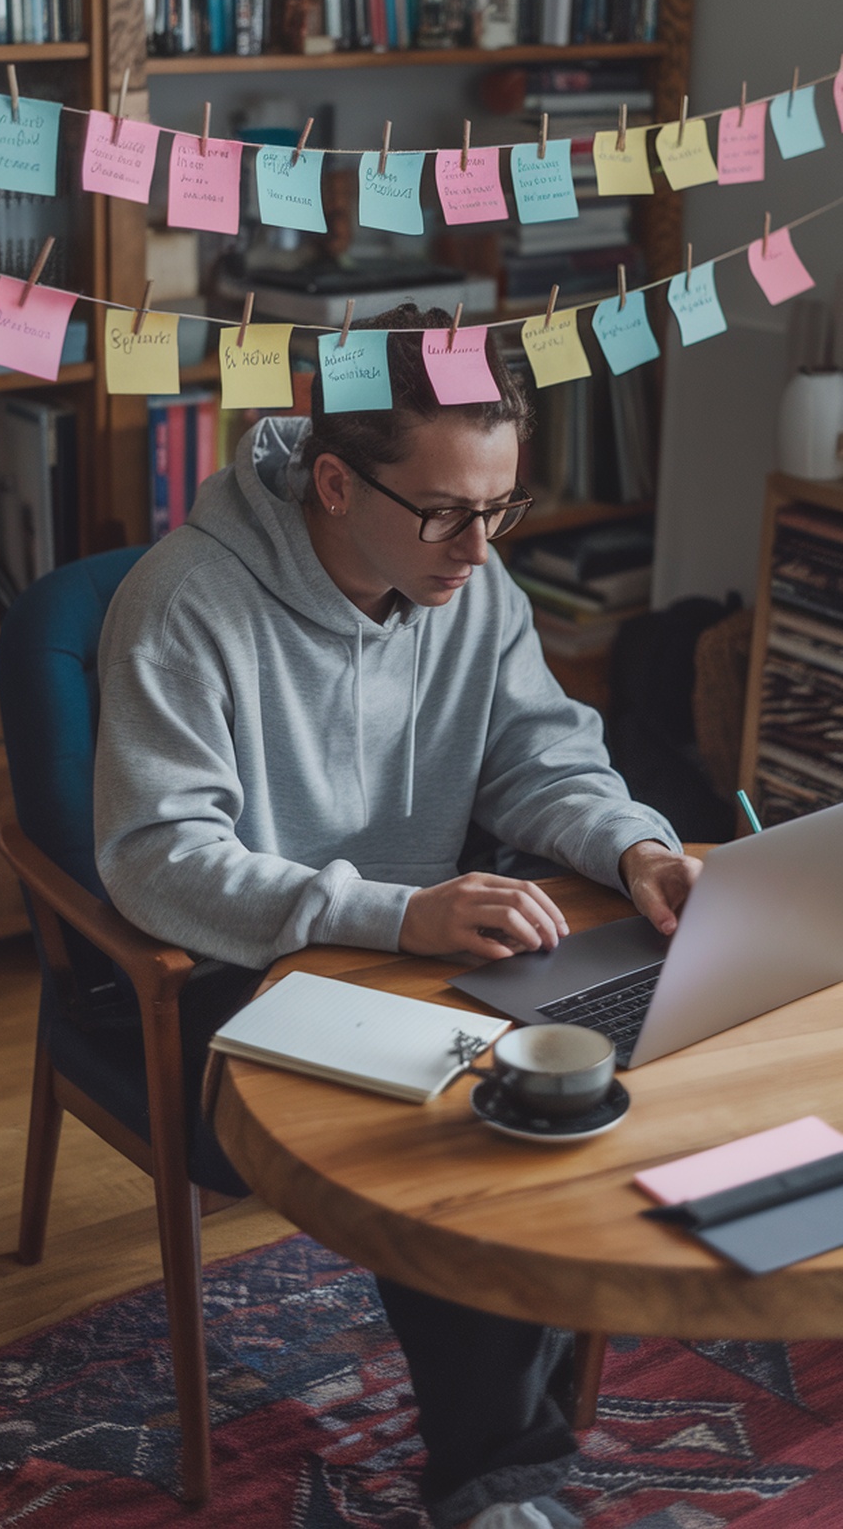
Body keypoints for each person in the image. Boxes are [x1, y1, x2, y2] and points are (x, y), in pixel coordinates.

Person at [94, 305, 701, 1529]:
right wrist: (395, 914)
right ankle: (496, 1488)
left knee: (638, 1042)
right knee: (489, 1131)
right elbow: (158, 860)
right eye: (446, 512)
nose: (478, 549)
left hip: (423, 946)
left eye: (500, 509)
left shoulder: (461, 582)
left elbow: (541, 756)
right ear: (331, 480)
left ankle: (523, 1430)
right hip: (244, 970)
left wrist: (631, 842)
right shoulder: (185, 602)